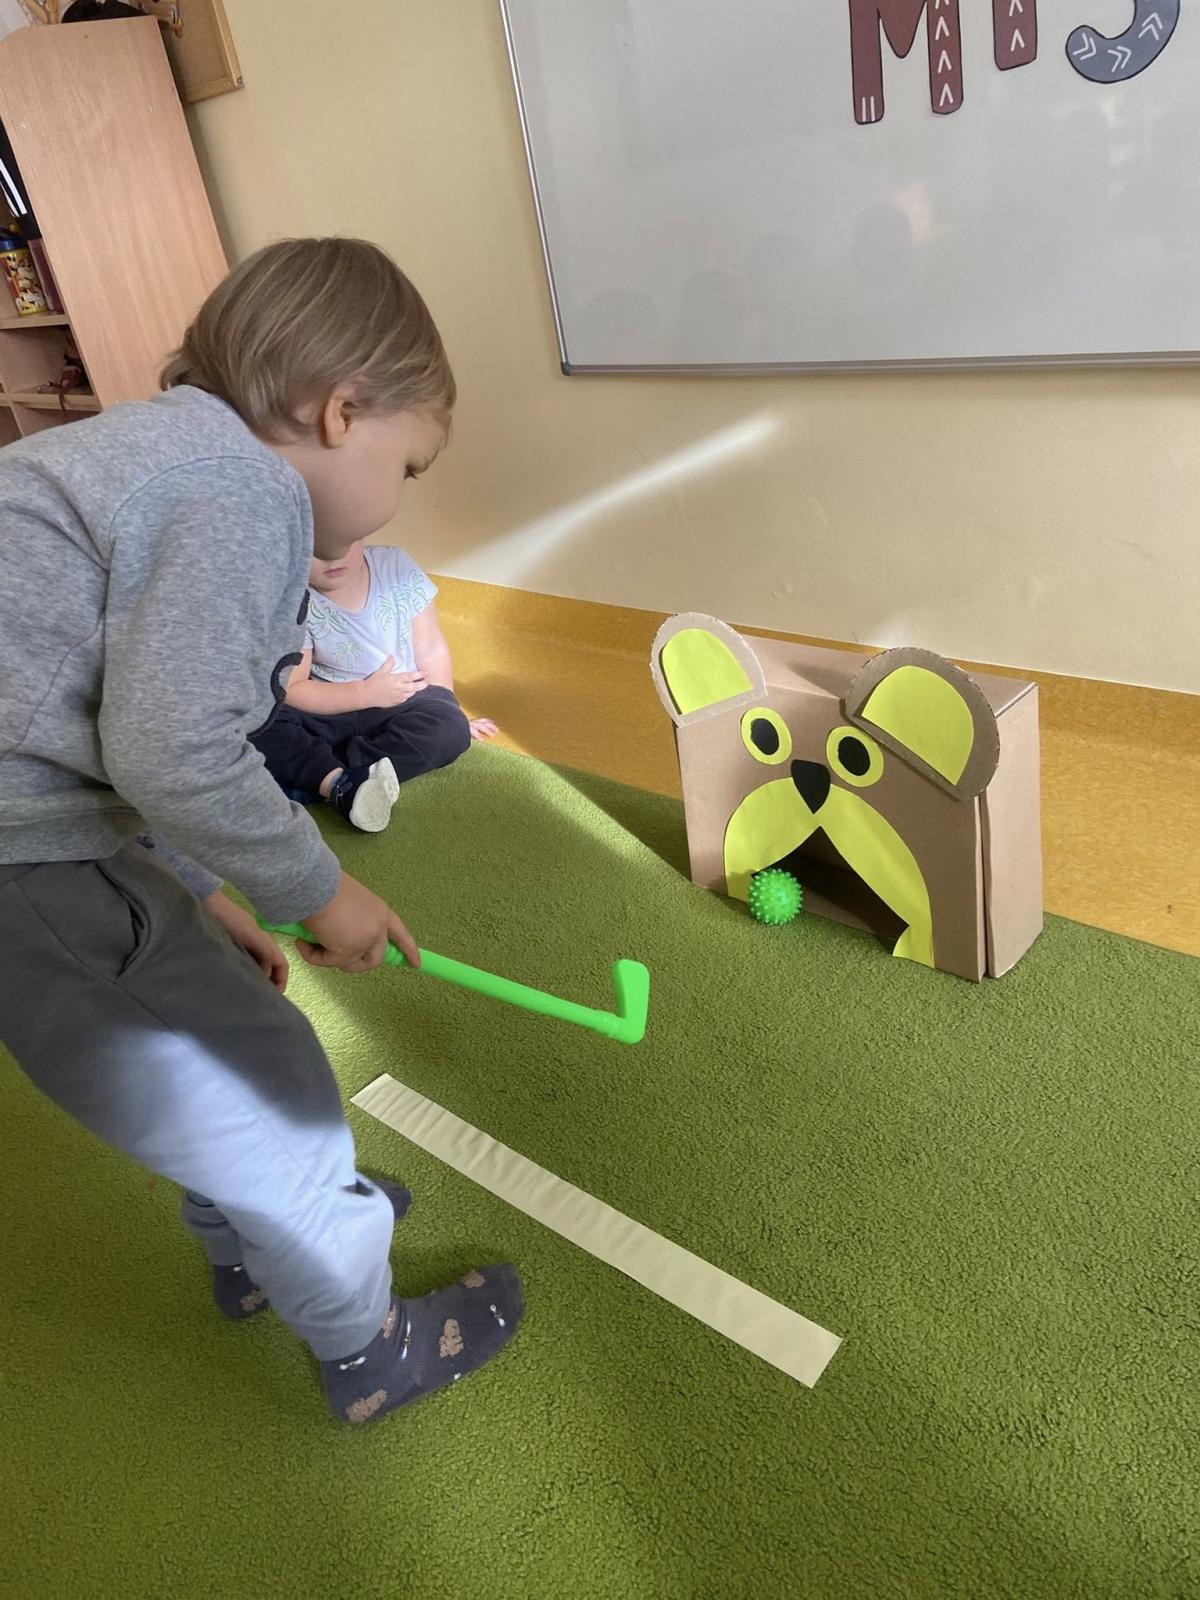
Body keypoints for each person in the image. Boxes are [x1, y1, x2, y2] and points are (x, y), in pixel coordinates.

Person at [0, 237, 522, 1426]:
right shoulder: (240, 489)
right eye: (409, 464)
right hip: (26, 859)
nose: (399, 493)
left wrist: (199, 889)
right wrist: (320, 888)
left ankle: (252, 1242)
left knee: (209, 1041)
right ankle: (367, 1346)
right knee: (272, 1084)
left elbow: (114, 730)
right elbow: (171, 746)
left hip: (41, 832)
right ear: (343, 411)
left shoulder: (152, 453)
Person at [251, 536, 498, 832]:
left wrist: (449, 708)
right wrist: (364, 693)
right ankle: (334, 782)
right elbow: (293, 688)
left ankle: (325, 778)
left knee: (449, 729)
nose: (332, 559)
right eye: (316, 551)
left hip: (403, 700)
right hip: (330, 706)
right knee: (259, 715)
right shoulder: (295, 596)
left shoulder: (396, 566)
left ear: (362, 532)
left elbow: (432, 649)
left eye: (343, 543)